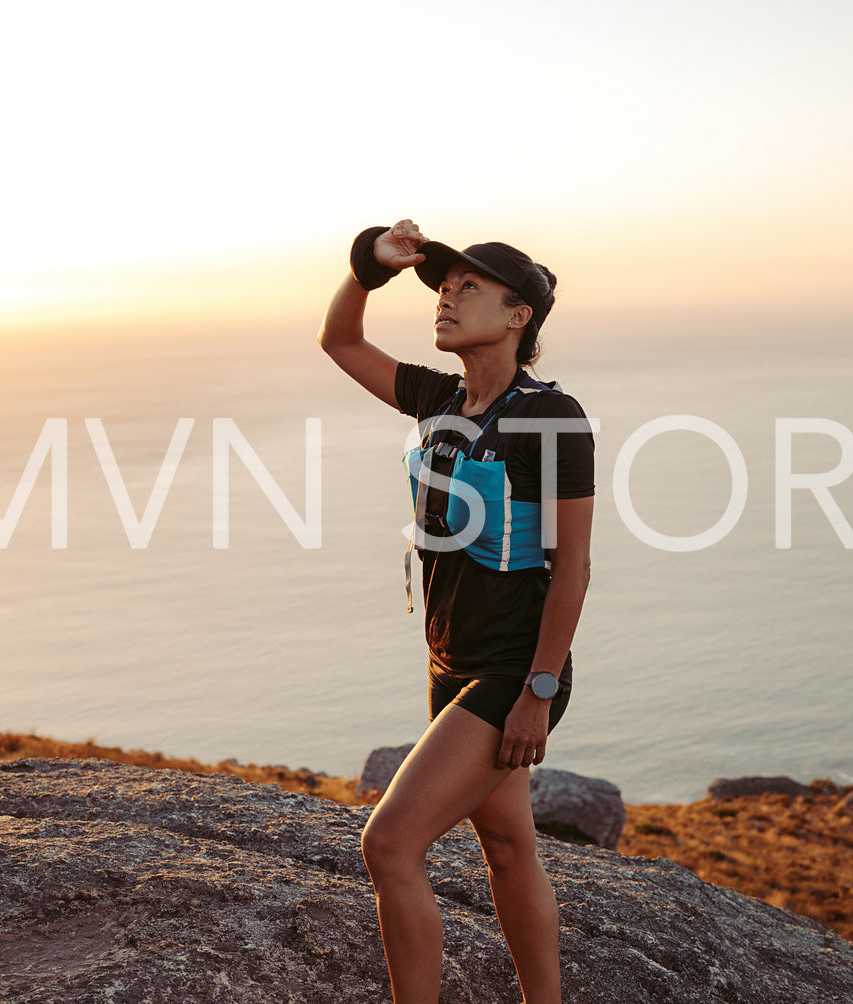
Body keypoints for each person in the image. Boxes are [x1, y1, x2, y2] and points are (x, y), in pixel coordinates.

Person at [318, 219, 594, 1004]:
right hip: (450, 663)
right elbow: (339, 340)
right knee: (507, 847)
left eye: (468, 286)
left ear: (518, 317)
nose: (445, 295)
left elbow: (571, 565)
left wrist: (538, 693)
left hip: (513, 672)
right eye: (443, 286)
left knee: (389, 845)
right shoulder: (436, 398)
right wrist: (368, 266)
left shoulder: (550, 415)